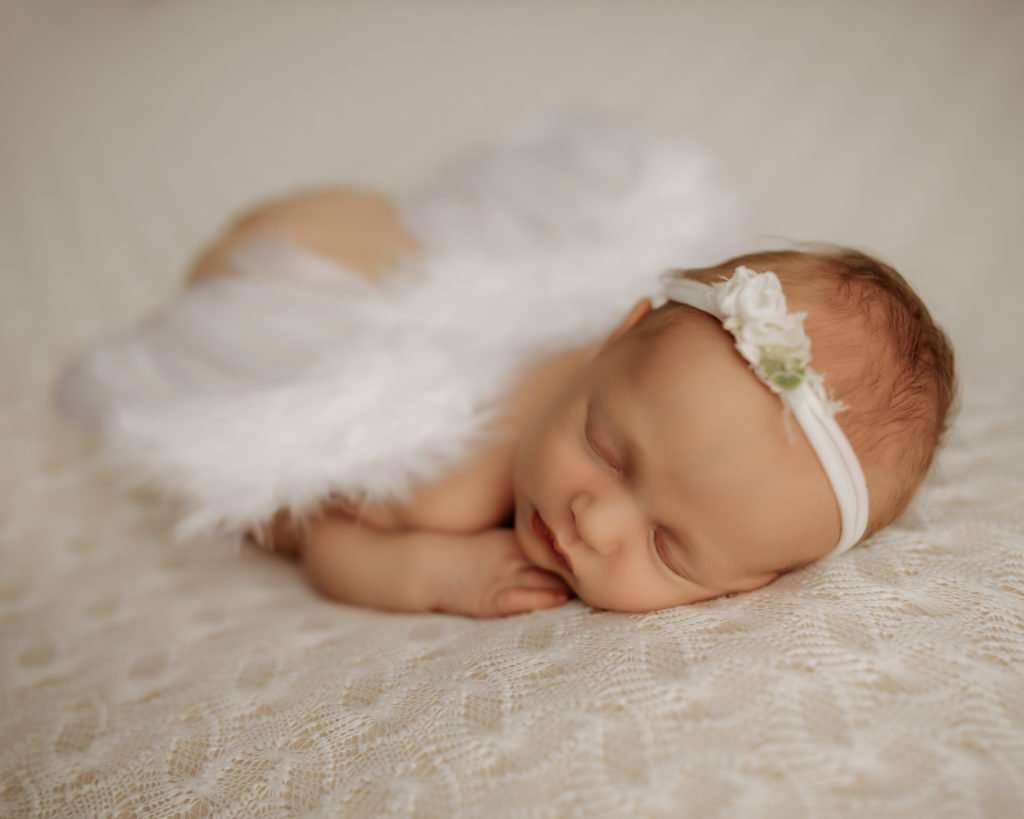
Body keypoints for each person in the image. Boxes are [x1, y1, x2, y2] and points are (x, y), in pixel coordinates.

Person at [186, 187, 957, 618]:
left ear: (750, 582)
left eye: (670, 549)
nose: (596, 519)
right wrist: (428, 572)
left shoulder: (642, 390)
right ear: (613, 339)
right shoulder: (450, 482)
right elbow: (324, 539)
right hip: (276, 296)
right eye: (607, 448)